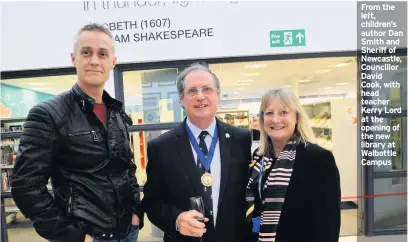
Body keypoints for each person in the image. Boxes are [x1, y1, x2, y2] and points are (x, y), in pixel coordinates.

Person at [11, 23, 143, 242]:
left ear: (112, 62)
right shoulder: (48, 114)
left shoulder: (116, 113)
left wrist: (136, 213)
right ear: (74, 58)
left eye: (102, 54)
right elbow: (26, 186)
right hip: (87, 236)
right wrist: (72, 235)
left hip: (128, 232)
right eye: (86, 52)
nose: (94, 61)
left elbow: (126, 168)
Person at [142, 63, 252, 242]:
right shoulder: (161, 147)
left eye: (207, 89)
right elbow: (152, 202)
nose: (200, 97)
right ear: (181, 99)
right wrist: (176, 220)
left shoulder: (241, 139)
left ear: (217, 95)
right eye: (192, 91)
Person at [245, 88, 341, 242]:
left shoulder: (319, 159)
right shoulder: (258, 157)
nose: (276, 120)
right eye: (269, 113)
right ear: (262, 119)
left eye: (283, 113)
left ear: (297, 117)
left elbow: (328, 224)